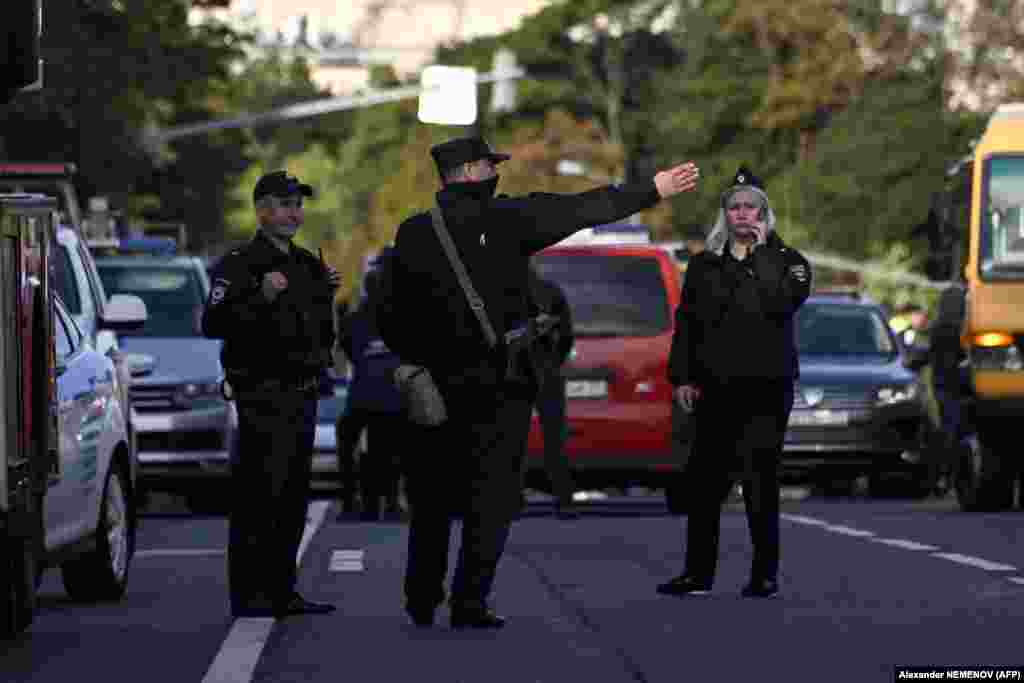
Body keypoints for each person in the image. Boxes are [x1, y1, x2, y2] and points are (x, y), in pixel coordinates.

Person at [377, 135, 700, 629]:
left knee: (432, 497)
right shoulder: (509, 220)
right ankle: (469, 601)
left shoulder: (415, 233)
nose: (495, 171)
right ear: (468, 173)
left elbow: (389, 313)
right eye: (489, 165)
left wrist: (415, 362)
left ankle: (422, 595)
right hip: (498, 385)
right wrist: (651, 189)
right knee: (493, 498)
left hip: (435, 388)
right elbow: (585, 208)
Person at [658, 165, 811, 600]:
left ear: (765, 215)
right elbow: (687, 323)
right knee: (704, 483)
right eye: (735, 208)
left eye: (751, 208)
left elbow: (782, 304)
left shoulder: (788, 263)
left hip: (766, 388)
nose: (743, 215)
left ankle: (764, 574)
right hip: (716, 388)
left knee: (760, 482)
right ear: (724, 214)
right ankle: (697, 573)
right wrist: (683, 376)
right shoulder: (705, 265)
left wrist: (761, 255)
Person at [202, 170, 341, 619]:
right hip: (261, 393)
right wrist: (259, 296)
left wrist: (326, 292)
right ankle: (249, 595)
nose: (293, 213)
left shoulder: (306, 264)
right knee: (259, 496)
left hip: (302, 393)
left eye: (298, 204)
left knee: (292, 497)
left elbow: (318, 331)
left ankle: (283, 590)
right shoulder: (240, 263)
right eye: (283, 204)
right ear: (262, 210)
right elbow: (213, 323)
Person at [338, 247, 407, 522]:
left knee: (352, 440)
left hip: (364, 397)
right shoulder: (402, 316)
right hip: (392, 398)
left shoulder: (356, 319)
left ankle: (354, 502)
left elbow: (348, 350)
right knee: (389, 446)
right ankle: (389, 502)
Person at [528, 265, 578, 519]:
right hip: (548, 371)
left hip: (514, 373)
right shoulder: (551, 291)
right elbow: (567, 336)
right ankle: (564, 499)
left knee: (510, 440)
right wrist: (554, 361)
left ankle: (510, 499)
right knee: (555, 441)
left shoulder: (502, 291)